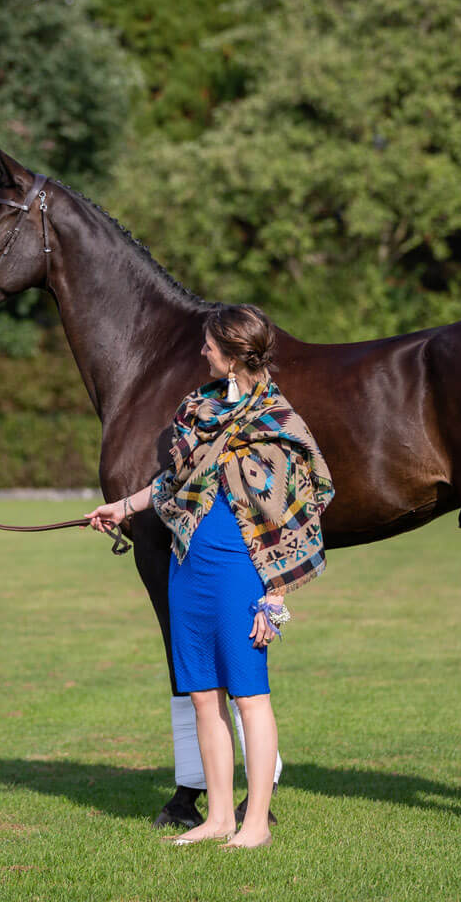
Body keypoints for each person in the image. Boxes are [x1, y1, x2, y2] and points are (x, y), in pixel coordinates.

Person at [87, 304, 333, 850]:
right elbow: (172, 482)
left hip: (243, 569)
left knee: (250, 695)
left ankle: (257, 823)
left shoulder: (275, 417)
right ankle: (219, 816)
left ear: (230, 355)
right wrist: (121, 507)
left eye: (208, 346)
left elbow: (300, 503)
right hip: (189, 564)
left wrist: (275, 594)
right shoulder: (197, 406)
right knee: (203, 694)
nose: (201, 352)